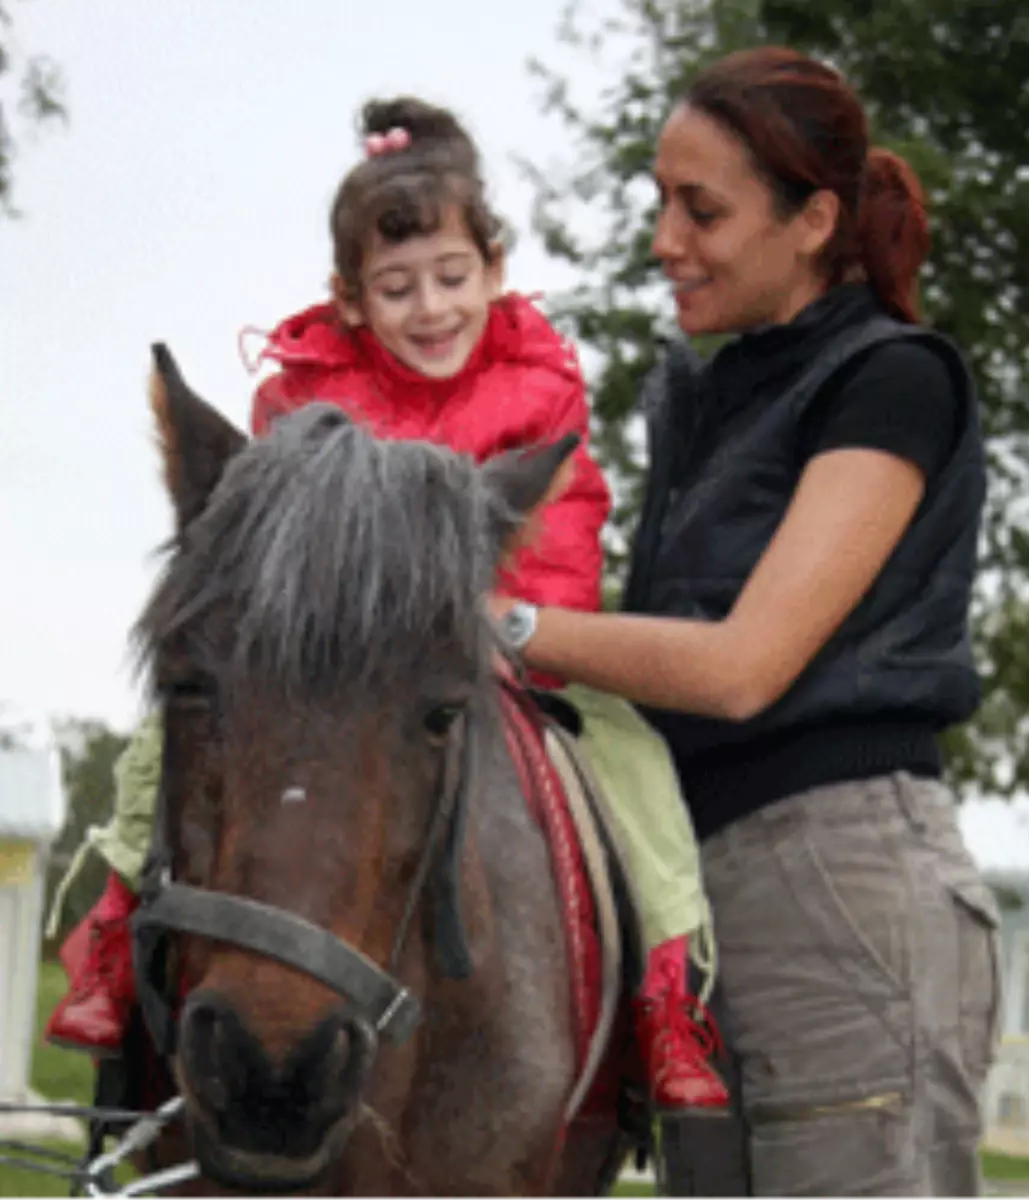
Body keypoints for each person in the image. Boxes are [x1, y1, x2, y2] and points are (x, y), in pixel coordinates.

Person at [43, 95, 728, 1114]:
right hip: (332, 673)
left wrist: (510, 627)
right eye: (397, 287)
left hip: (495, 648)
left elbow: (564, 521)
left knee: (636, 764)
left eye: (453, 279)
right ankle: (113, 925)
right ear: (353, 299)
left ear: (494, 273)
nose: (432, 308)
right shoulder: (310, 399)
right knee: (174, 731)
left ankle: (668, 993)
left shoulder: (536, 389)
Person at [489, 47, 1002, 1198]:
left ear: (814, 220)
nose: (665, 238)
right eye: (659, 201)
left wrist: (499, 627)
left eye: (702, 208)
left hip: (841, 889)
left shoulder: (894, 383)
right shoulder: (712, 398)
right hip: (706, 893)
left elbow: (739, 669)